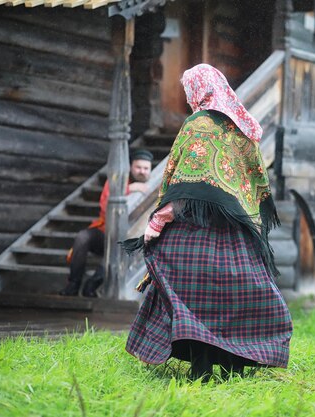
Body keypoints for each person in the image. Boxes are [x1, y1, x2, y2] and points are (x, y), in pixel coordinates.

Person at [122, 64, 293, 381]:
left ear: (196, 91)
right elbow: (252, 185)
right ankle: (236, 367)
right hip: (238, 239)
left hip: (196, 235)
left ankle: (200, 369)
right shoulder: (242, 128)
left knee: (190, 296)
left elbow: (188, 184)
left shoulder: (198, 124)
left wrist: (156, 224)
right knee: (238, 301)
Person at [58, 149, 153, 297]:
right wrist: (128, 189)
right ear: (131, 167)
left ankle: (93, 284)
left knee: (124, 246)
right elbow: (105, 205)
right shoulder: (118, 181)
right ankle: (73, 284)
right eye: (138, 167)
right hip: (106, 232)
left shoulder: (155, 184)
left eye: (146, 168)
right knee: (83, 237)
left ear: (150, 169)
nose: (142, 171)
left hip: (132, 240)